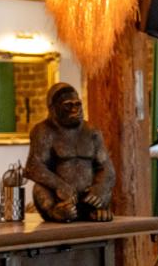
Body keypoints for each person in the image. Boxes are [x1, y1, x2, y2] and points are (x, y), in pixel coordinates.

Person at [24, 82, 115, 222]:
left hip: (89, 197)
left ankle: (97, 211)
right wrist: (60, 185)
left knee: (105, 187)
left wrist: (100, 189)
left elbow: (107, 169)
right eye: (68, 105)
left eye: (77, 104)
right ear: (53, 109)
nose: (75, 110)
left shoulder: (92, 131)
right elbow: (33, 167)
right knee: (40, 188)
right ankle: (56, 212)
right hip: (59, 199)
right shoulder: (43, 131)